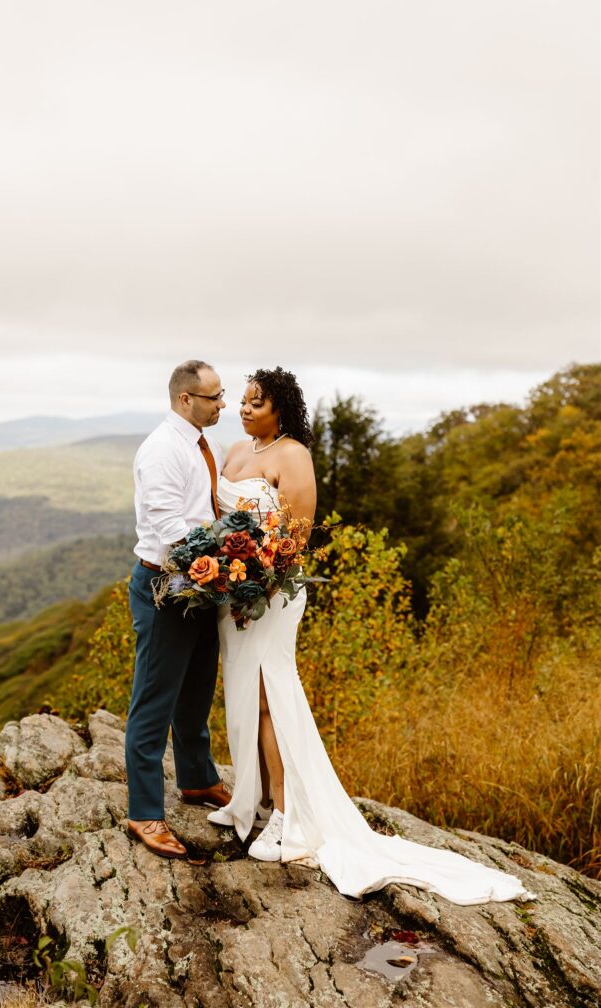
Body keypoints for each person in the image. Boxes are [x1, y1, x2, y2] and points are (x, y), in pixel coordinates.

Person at [208, 366, 535, 904]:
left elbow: (298, 534)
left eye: (255, 402)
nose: (244, 409)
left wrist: (261, 580)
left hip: (273, 591)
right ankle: (254, 799)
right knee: (242, 694)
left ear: (280, 409)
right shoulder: (236, 454)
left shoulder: (293, 456)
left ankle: (290, 815)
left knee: (270, 698)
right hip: (234, 595)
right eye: (242, 401)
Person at [125, 360, 232, 859]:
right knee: (154, 699)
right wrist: (222, 562)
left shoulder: (198, 444)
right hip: (164, 587)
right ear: (185, 399)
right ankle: (145, 812)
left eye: (222, 394)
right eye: (214, 397)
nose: (223, 404)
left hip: (201, 586)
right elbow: (170, 526)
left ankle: (197, 779)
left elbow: (206, 511)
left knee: (196, 688)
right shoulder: (162, 450)